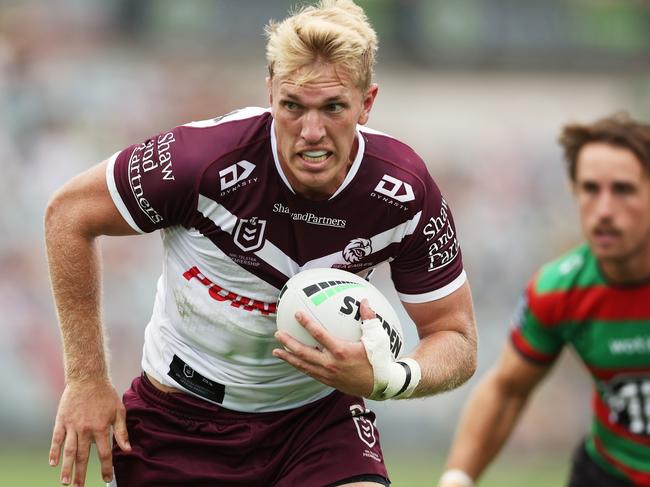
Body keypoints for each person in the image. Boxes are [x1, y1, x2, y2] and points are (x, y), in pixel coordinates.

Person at [45, 1, 477, 486]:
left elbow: (455, 336)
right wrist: (85, 379)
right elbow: (69, 215)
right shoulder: (199, 160)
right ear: (271, 92)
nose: (311, 133)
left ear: (366, 102)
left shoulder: (403, 191)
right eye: (293, 106)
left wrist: (391, 378)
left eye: (333, 107)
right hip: (178, 421)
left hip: (313, 425)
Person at [437, 112, 650, 487]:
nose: (603, 209)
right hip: (611, 473)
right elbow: (506, 389)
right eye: (589, 189)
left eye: (623, 190)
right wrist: (457, 478)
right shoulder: (559, 290)